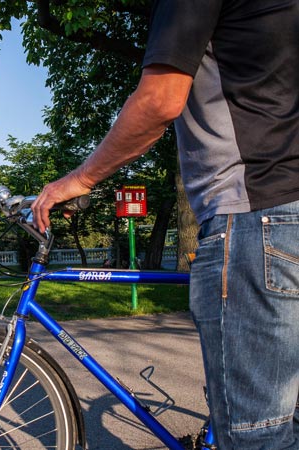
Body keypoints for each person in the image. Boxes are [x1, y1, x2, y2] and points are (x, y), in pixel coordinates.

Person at [32, 1, 299, 449]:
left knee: (256, 436)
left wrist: (77, 180)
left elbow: (159, 101)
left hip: (252, 213)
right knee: (283, 418)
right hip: (285, 213)